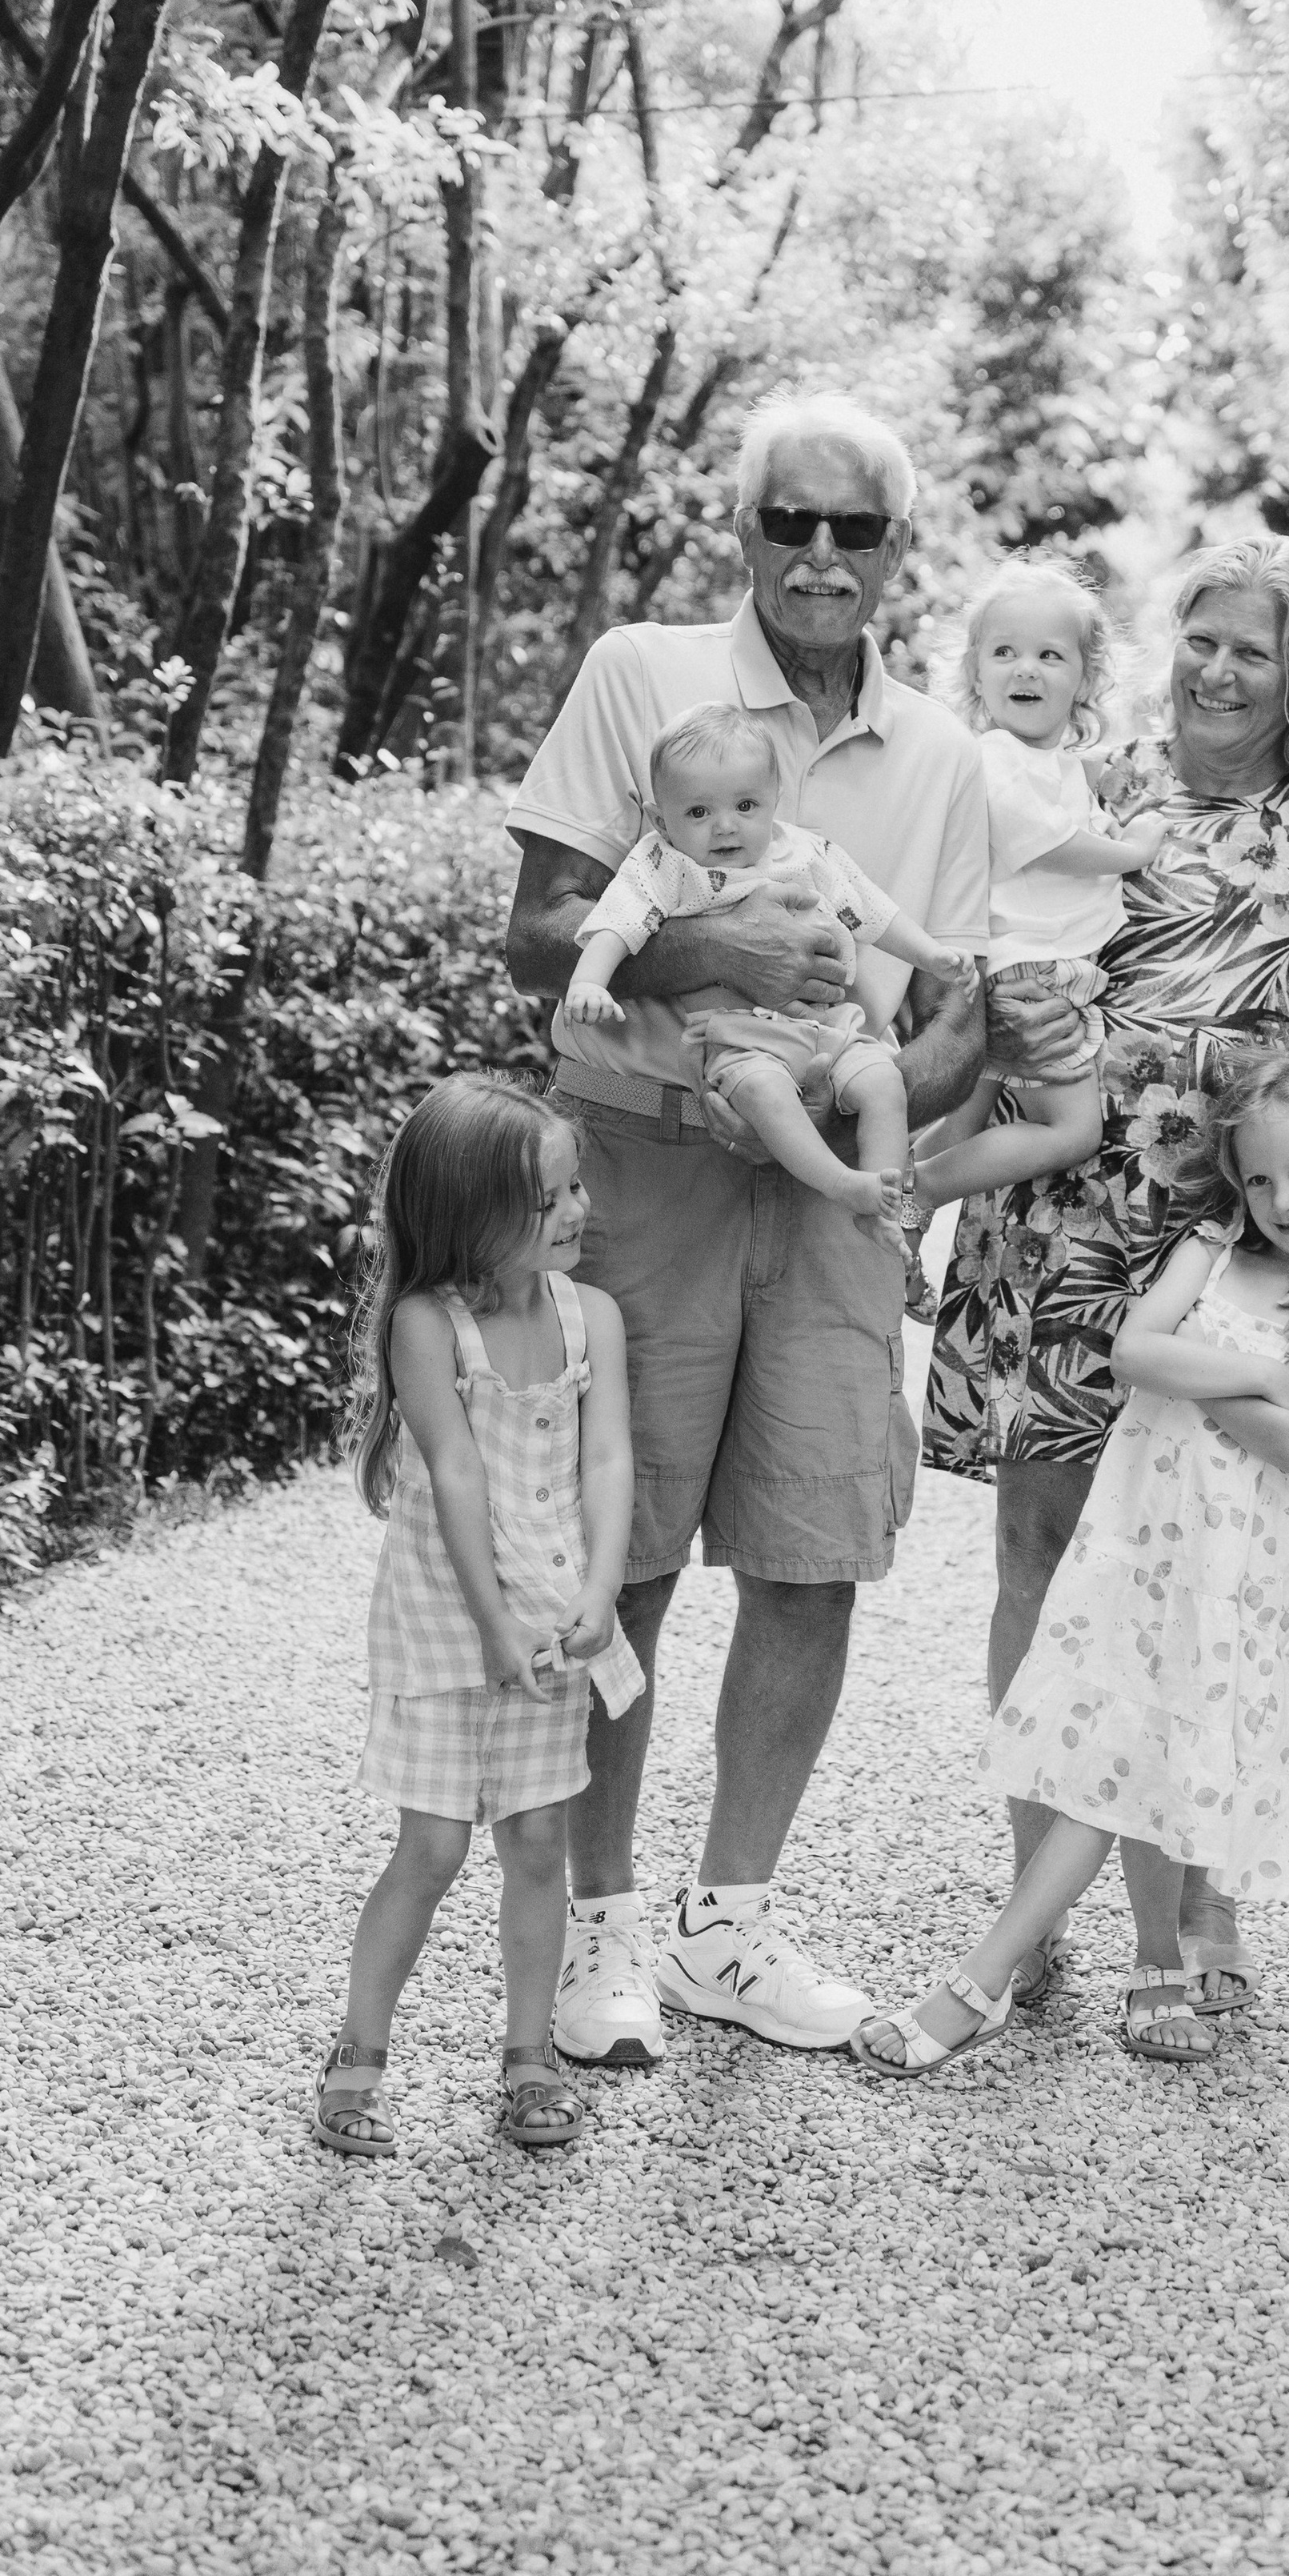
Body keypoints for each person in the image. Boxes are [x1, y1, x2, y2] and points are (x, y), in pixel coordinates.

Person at [504, 392, 989, 2065]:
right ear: (744, 531)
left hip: (836, 1198)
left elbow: (955, 1001)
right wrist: (707, 972)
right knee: (617, 1560)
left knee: (811, 1562)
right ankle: (598, 1933)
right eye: (789, 521)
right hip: (642, 1175)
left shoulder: (939, 752)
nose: (818, 555)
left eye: (854, 530)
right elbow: (535, 927)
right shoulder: (643, 674)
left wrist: (874, 1109)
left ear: (896, 551)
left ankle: (731, 1925)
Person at [923, 536, 1289, 2017]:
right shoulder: (1091, 778)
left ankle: (1193, 1910)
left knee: (1214, 1571)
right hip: (1064, 1206)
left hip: (1245, 1225)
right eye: (1199, 636)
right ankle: (1043, 1908)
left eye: (1251, 650)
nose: (1214, 668)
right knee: (1044, 1545)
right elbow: (980, 965)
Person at [855, 1045, 1289, 2076]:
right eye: (1257, 1178)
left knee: (1130, 1773)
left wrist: (1230, 1386)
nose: (1279, 1200)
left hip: (1229, 1589)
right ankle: (1073, 1974)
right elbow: (1134, 1355)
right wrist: (1270, 1375)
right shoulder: (1208, 1250)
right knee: (1115, 1764)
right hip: (1137, 1558)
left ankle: (974, 1987)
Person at [314, 1076, 639, 2161]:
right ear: (472, 1214)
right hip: (448, 1625)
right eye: (551, 1198)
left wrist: (597, 1593)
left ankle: (530, 2054)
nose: (578, 1210)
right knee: (434, 1845)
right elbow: (453, 1476)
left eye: (576, 1187)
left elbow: (608, 1456)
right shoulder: (427, 1327)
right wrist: (493, 1627)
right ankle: (359, 2051)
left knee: (539, 1839)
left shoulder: (593, 1315)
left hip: (550, 1618)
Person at [563, 700, 971, 1251]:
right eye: (698, 813)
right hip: (741, 1038)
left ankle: (886, 1202)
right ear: (663, 821)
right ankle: (842, 1183)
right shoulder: (665, 866)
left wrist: (930, 956)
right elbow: (618, 921)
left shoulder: (805, 853)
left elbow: (870, 911)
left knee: (884, 1083)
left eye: (746, 805)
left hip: (832, 1026)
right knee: (763, 1093)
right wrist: (589, 982)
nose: (725, 826)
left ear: (774, 800)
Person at [907, 566, 1166, 1221]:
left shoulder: (1046, 761)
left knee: (967, 1119)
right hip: (1035, 971)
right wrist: (1132, 850)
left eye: (1050, 656)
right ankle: (926, 1188)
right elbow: (1046, 842)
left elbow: (1080, 776)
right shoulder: (992, 756)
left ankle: (898, 1215)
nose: (1026, 670)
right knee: (1070, 1132)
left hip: (1025, 962)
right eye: (1005, 653)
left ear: (1086, 676)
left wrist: (1109, 783)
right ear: (975, 673)